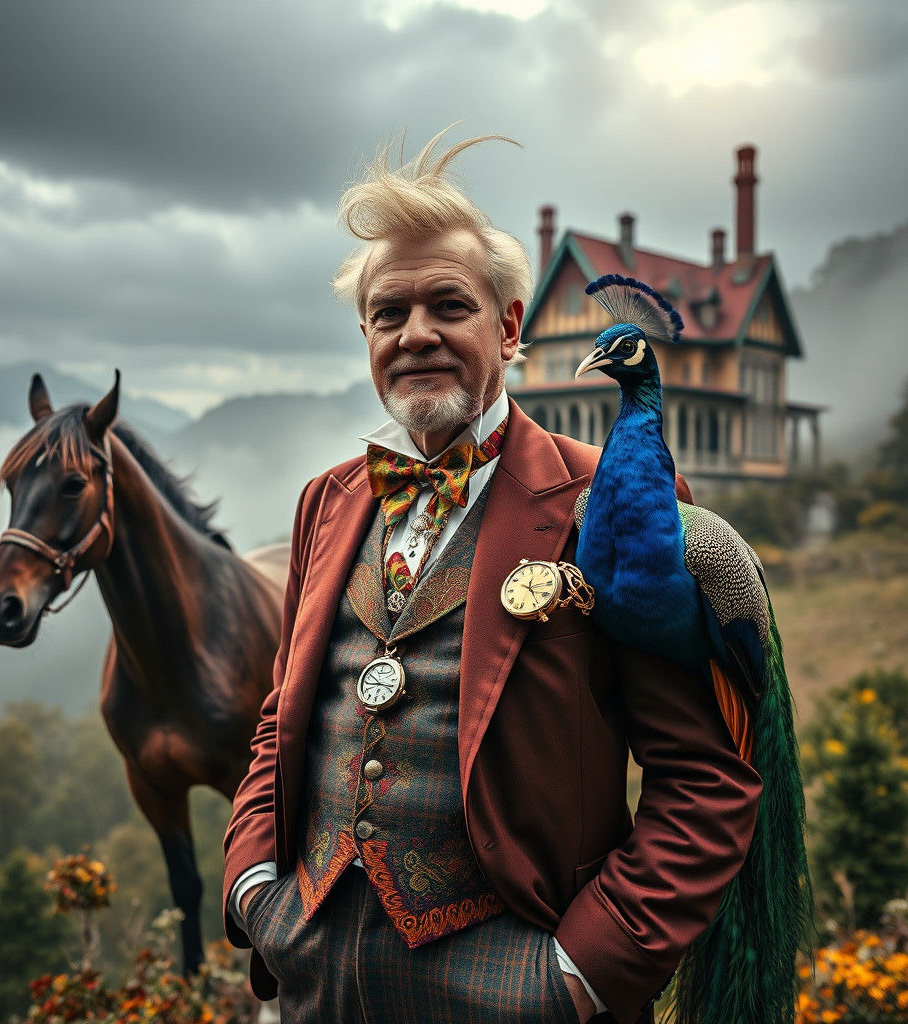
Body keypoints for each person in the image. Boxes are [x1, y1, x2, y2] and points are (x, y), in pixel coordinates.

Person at [222, 129, 762, 1024]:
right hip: (314, 978)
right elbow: (282, 716)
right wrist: (252, 887)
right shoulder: (326, 500)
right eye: (388, 314)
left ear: (508, 327)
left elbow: (707, 777)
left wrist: (579, 976)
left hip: (519, 989)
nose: (416, 334)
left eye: (449, 305)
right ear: (365, 336)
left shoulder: (609, 498)